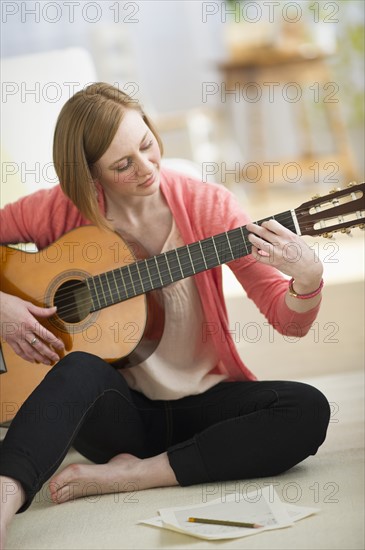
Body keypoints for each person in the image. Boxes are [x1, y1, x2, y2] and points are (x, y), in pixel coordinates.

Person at [0, 82, 330, 547]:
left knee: (307, 408)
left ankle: (137, 475)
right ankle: (5, 496)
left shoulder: (209, 206)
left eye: (147, 144)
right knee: (76, 368)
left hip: (206, 403)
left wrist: (307, 279)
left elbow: (288, 319)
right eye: (122, 165)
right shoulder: (56, 210)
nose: (146, 167)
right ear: (89, 175)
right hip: (118, 417)